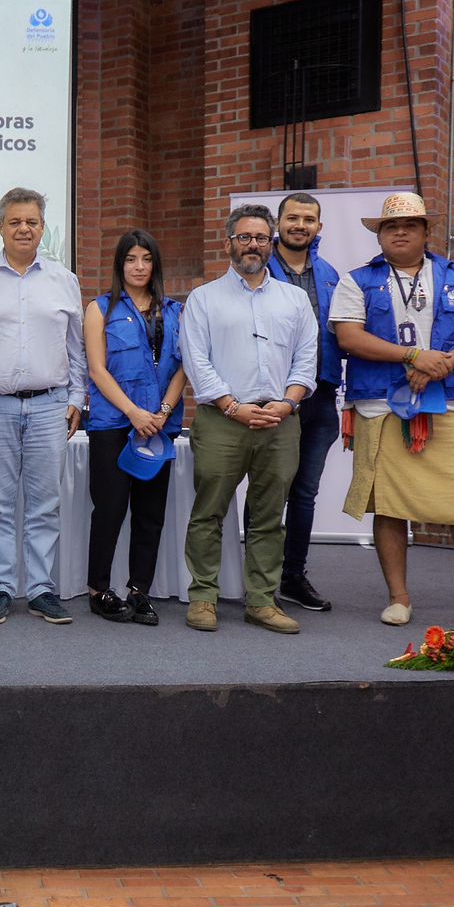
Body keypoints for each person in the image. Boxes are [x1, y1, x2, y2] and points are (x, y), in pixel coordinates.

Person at [331, 192, 454, 625]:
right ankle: (399, 598)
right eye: (390, 226)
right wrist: (411, 357)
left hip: (451, 401)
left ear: (426, 231)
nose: (400, 232)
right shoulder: (355, 281)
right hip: (379, 405)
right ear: (380, 235)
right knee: (389, 503)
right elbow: (348, 337)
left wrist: (442, 364)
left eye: (410, 225)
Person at [180, 203, 315, 635]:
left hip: (280, 419)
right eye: (244, 237)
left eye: (260, 237)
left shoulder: (295, 299)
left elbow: (307, 359)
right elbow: (196, 361)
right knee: (209, 511)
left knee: (268, 515)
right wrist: (233, 407)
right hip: (222, 419)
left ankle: (261, 600)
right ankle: (203, 596)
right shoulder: (203, 298)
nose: (252, 244)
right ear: (229, 243)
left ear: (271, 243)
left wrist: (288, 403)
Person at [0, 187, 86, 626]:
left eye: (31, 221)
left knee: (45, 502)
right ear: (1, 227)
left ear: (43, 227)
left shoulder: (64, 280)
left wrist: (77, 397)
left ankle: (42, 589)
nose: (23, 228)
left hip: (50, 406)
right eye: (15, 221)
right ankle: (0, 588)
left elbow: (76, 348)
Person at [83, 230, 185, 627]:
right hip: (114, 425)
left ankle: (139, 590)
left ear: (155, 265)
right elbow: (97, 369)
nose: (139, 266)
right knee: (109, 510)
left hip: (159, 427)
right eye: (130, 259)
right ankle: (99, 590)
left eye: (146, 259)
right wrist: (134, 413)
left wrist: (160, 411)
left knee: (150, 514)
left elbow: (182, 369)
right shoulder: (101, 309)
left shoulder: (176, 311)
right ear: (119, 265)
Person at [264, 192, 343, 613]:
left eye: (308, 219)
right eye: (292, 218)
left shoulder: (331, 274)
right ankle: (259, 578)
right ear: (278, 224)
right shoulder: (261, 270)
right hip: (276, 398)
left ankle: (293, 575)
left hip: (322, 395)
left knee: (306, 493)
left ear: (319, 227)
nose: (300, 225)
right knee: (268, 492)